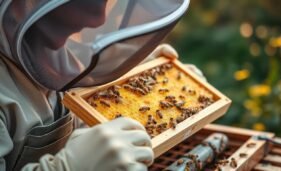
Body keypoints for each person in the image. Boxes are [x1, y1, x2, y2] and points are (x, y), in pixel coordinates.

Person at [0, 0, 204, 170]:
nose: (100, 18)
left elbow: (79, 114)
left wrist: (142, 85)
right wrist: (68, 167)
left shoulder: (60, 56)